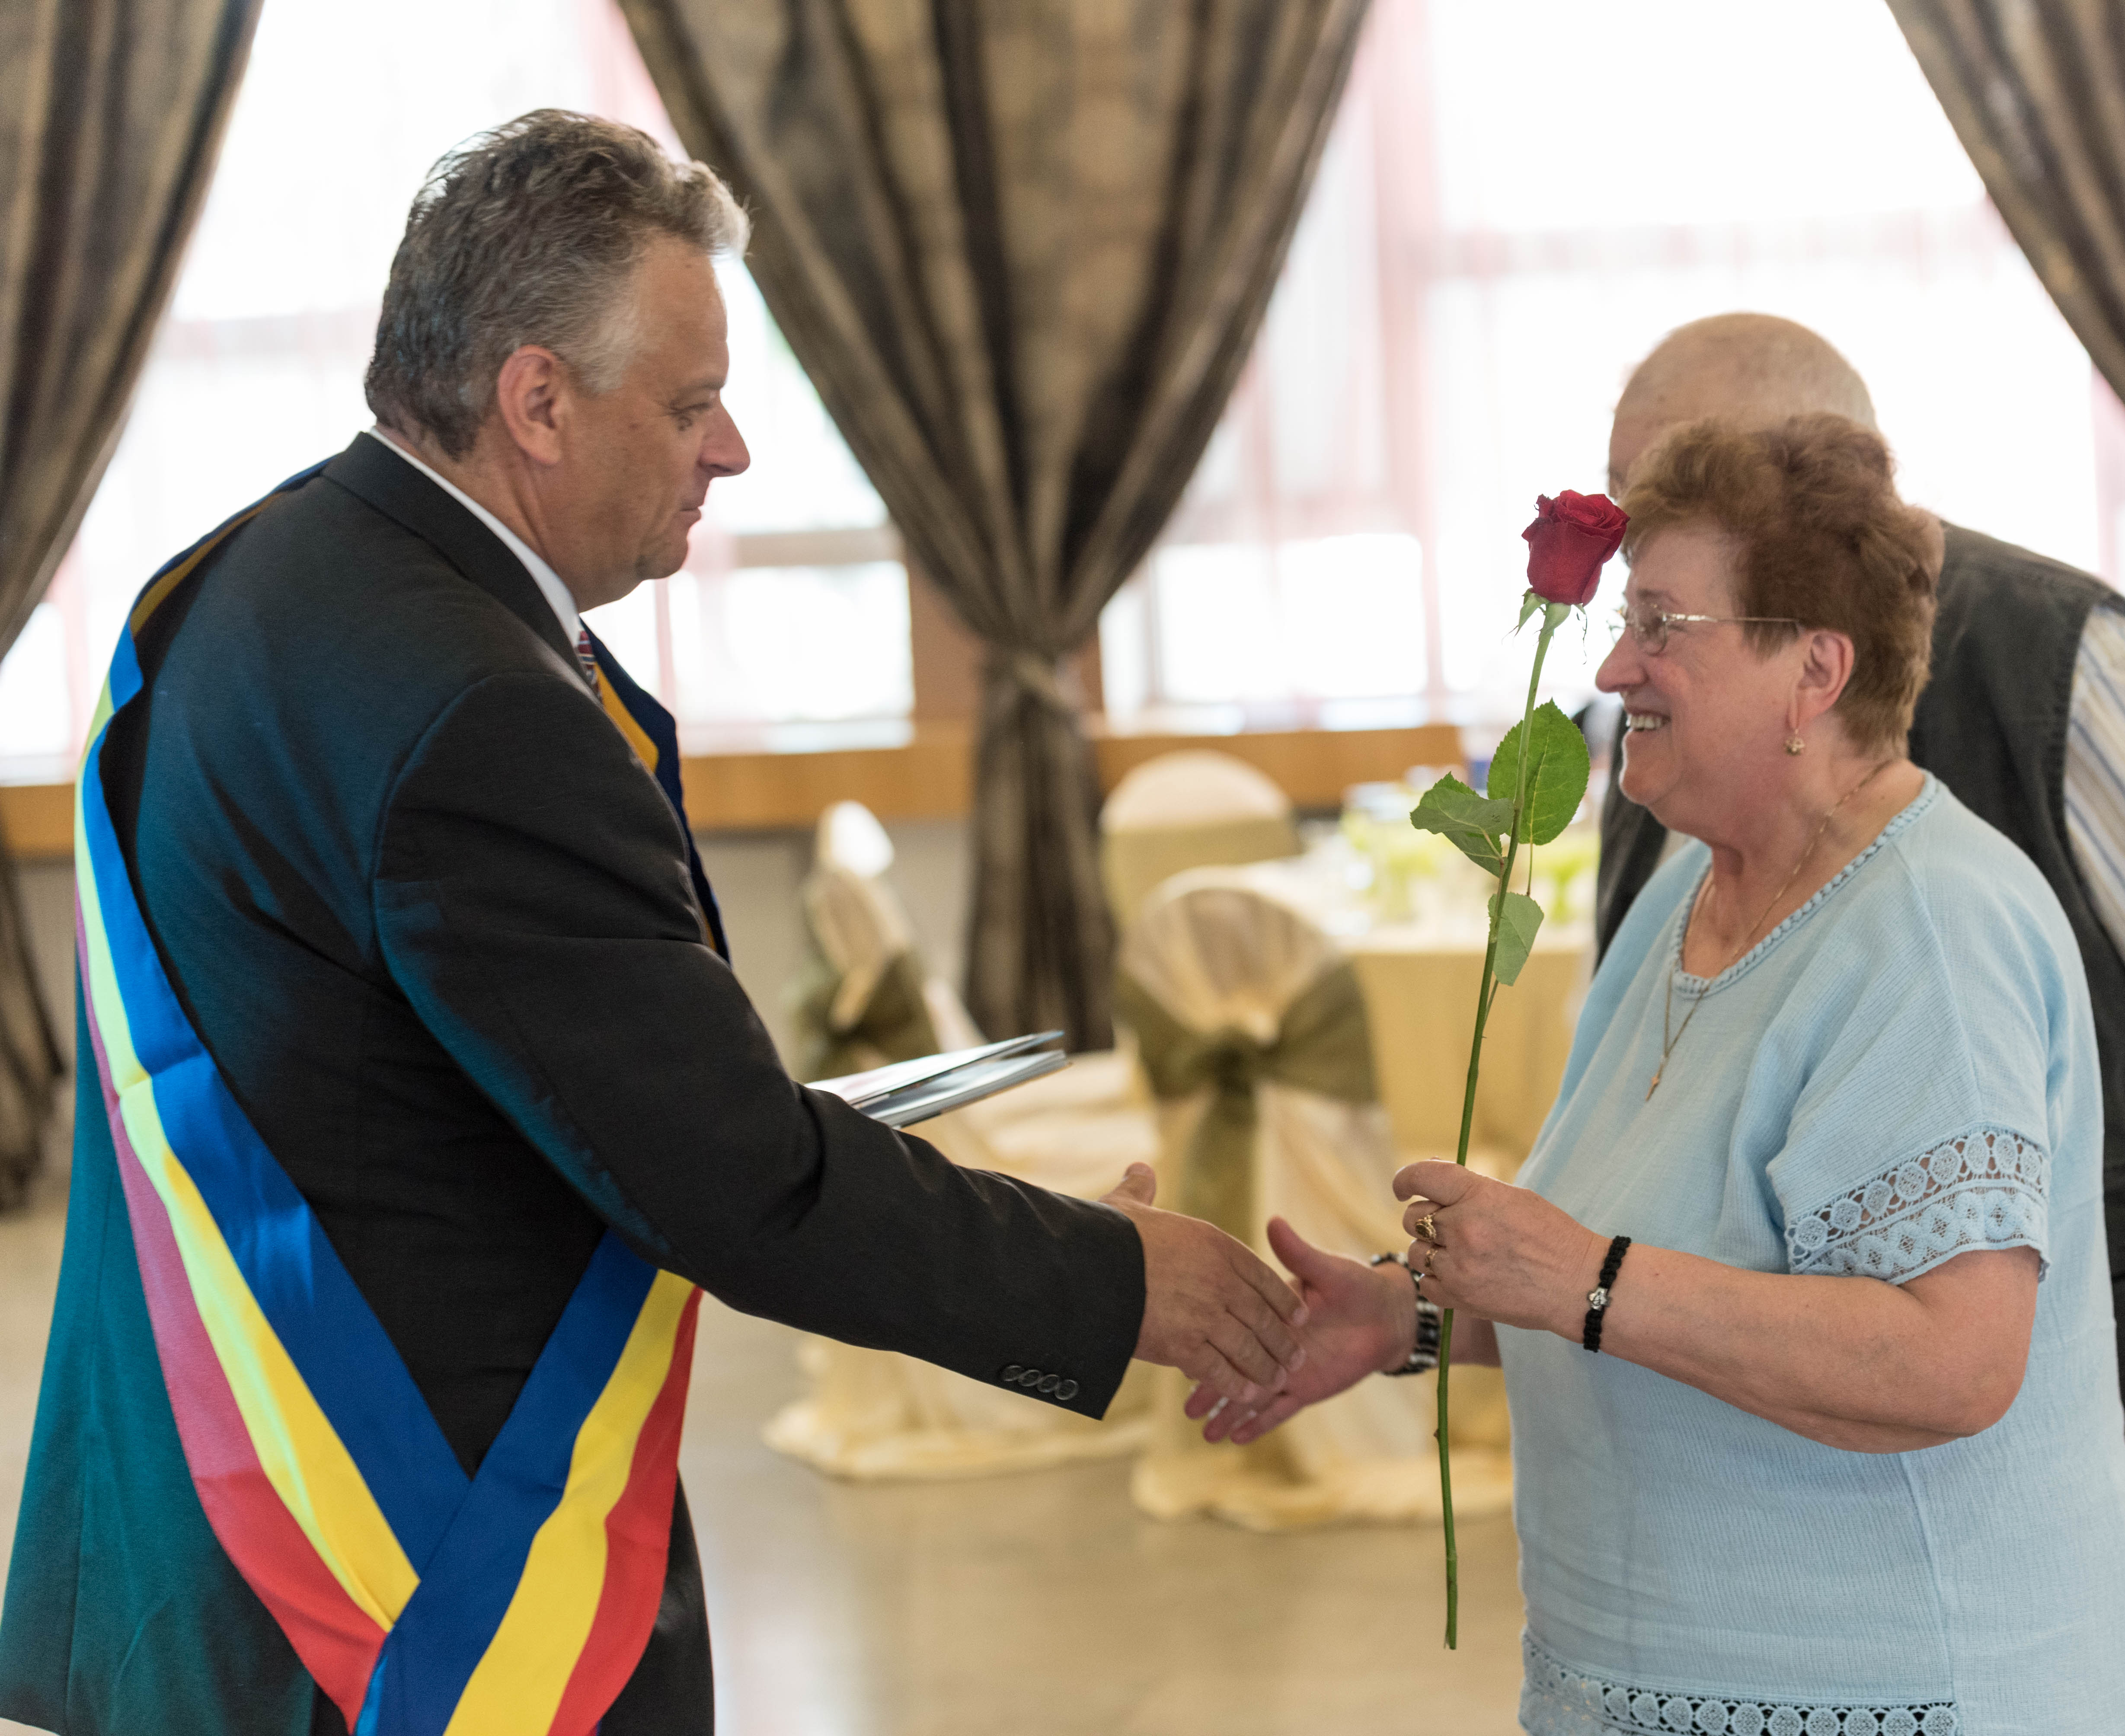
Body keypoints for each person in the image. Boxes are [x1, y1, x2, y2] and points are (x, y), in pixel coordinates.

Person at [0, 112, 1305, 1736]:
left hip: (202, 1528)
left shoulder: (239, 583)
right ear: (537, 401)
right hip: (415, 1575)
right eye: (690, 404)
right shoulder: (475, 706)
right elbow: (732, 1185)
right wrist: (1111, 1282)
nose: (731, 450)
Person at [1215, 415, 2125, 1731]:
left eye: (1662, 625)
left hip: (1913, 1689)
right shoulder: (1688, 894)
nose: (1614, 665)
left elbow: (1948, 1362)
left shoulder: (1929, 928)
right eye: (1625, 620)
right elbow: (1644, 1285)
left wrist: (1580, 1273)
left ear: (1814, 670)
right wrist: (1413, 1316)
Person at [1585, 316, 2125, 1736]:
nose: (1641, 549)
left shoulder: (2064, 660)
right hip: (1765, 1536)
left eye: (1690, 489)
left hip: (2063, 1462)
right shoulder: (1659, 714)